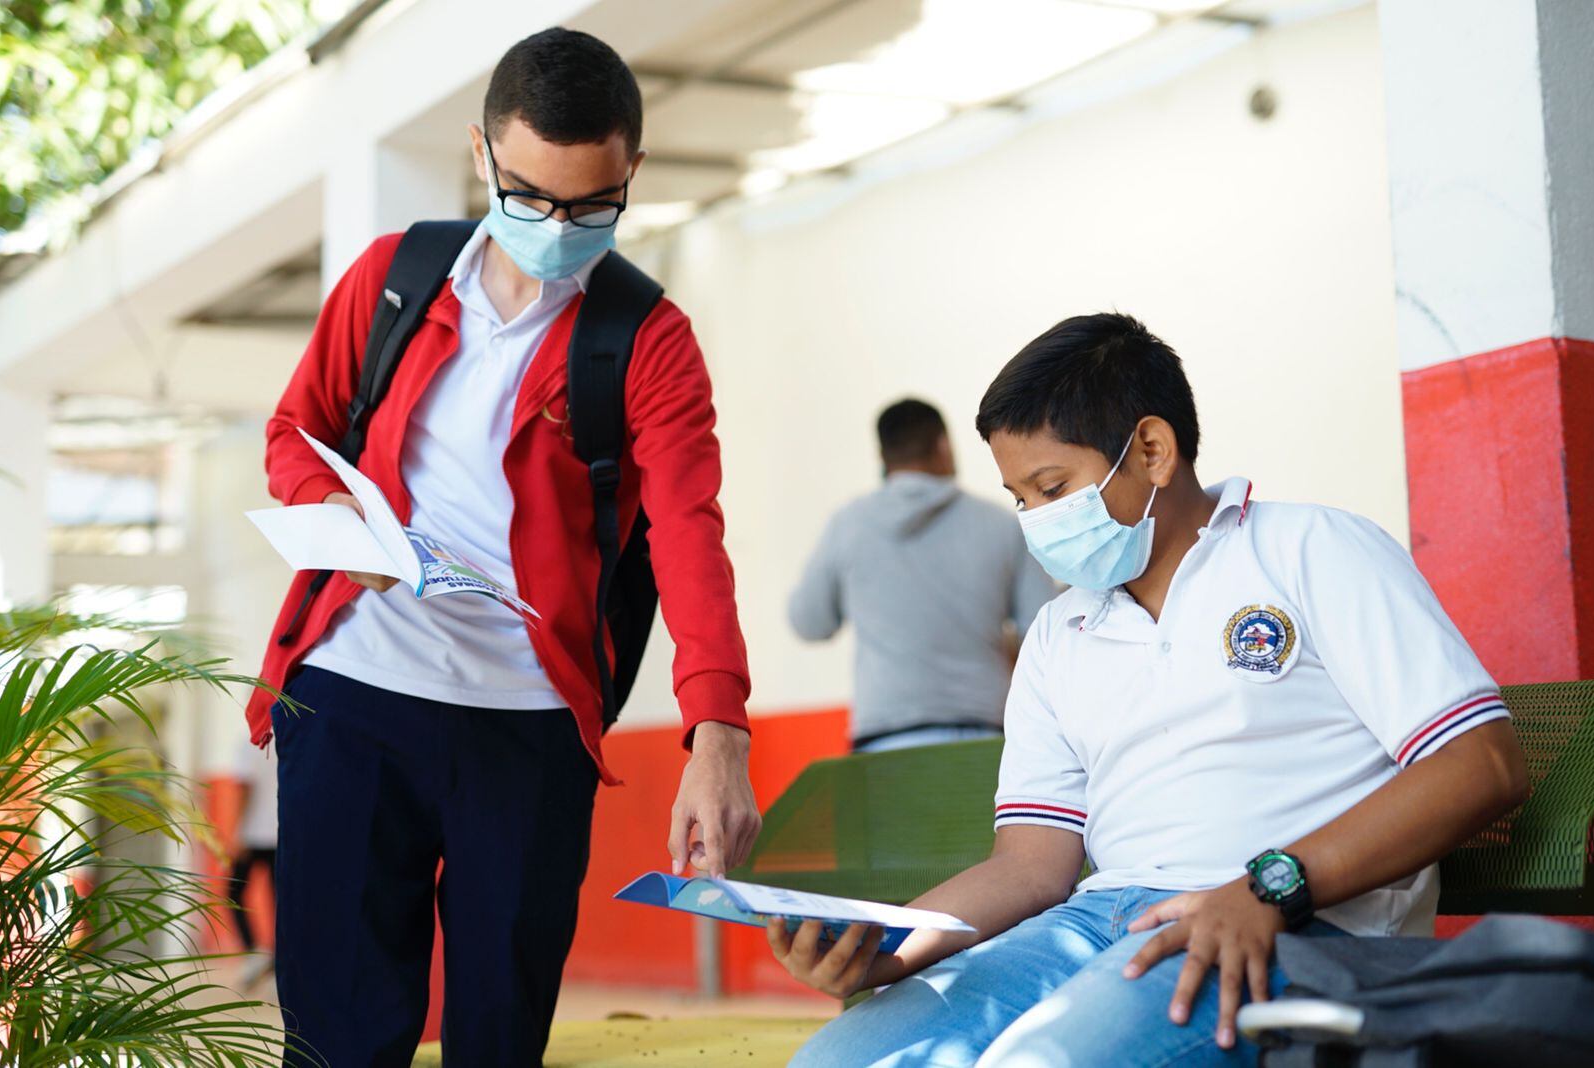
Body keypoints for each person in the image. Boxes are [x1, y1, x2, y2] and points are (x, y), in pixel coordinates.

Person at [768, 313, 1530, 1066]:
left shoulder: (1310, 550)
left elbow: (1483, 765)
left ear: (1153, 452)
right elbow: (1029, 866)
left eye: (1052, 487)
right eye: (1020, 498)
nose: (1036, 521)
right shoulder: (1059, 633)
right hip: (1093, 929)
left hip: (1295, 926)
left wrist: (1268, 888)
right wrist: (888, 948)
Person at [244, 28, 760, 1067]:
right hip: (354, 697)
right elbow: (294, 434)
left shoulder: (647, 341)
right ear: (482, 153)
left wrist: (719, 734)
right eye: (529, 198)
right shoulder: (393, 279)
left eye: (592, 207)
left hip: (525, 731)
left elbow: (688, 534)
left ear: (632, 170)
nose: (558, 229)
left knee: (498, 1038)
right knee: (336, 1043)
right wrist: (344, 521)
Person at [788, 398, 1056, 752]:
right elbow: (1044, 630)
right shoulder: (1000, 524)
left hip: (883, 738)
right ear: (943, 446)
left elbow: (808, 623)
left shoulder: (849, 524)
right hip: (985, 735)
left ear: (883, 456)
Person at [226, 734, 277, 991]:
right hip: (284, 834)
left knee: (233, 893)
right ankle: (277, 961)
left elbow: (245, 787)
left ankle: (254, 952)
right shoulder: (290, 737)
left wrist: (238, 832)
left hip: (254, 834)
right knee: (281, 901)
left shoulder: (252, 742)